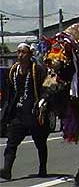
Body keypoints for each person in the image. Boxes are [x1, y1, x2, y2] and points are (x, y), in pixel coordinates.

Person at [0, 43, 49, 180]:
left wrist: (43, 100)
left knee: (40, 142)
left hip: (33, 112)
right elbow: (8, 94)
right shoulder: (12, 71)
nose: (20, 55)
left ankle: (43, 168)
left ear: (30, 55)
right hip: (19, 113)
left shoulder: (37, 70)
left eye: (23, 52)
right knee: (11, 143)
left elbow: (46, 87)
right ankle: (7, 170)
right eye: (19, 52)